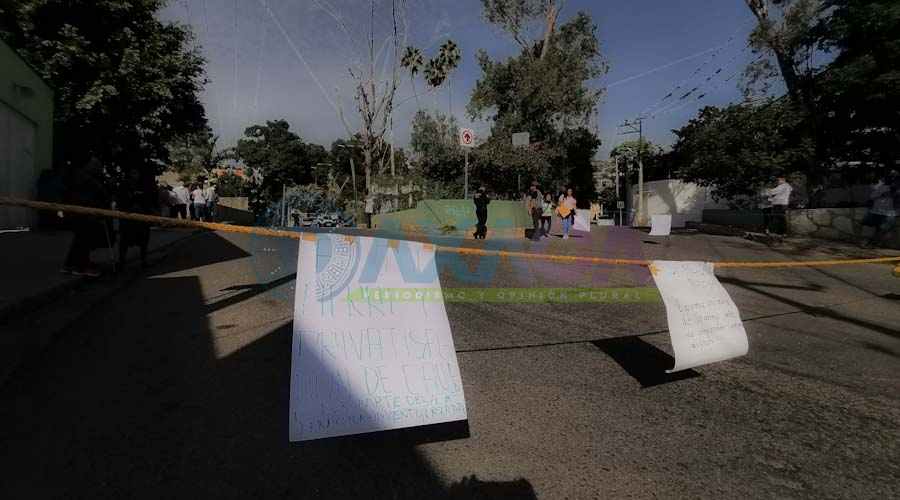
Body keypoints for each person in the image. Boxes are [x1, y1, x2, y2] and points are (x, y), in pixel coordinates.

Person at [60, 156, 109, 277]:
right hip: (83, 214)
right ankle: (80, 267)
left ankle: (70, 265)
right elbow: (99, 194)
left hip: (78, 213)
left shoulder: (81, 176)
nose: (100, 169)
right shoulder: (86, 179)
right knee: (83, 241)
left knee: (79, 240)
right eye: (98, 166)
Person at [117, 169, 156, 269]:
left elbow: (148, 199)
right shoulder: (124, 185)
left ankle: (144, 260)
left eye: (137, 173)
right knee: (124, 241)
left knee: (143, 240)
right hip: (128, 218)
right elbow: (120, 200)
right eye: (133, 173)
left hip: (142, 218)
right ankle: (121, 261)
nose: (135, 175)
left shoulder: (143, 185)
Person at [862, 182, 897, 248]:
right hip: (876, 213)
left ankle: (874, 242)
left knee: (885, 226)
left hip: (887, 214)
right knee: (868, 222)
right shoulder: (877, 193)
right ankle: (869, 241)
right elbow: (870, 200)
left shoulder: (892, 194)